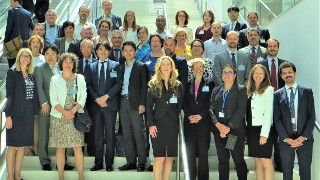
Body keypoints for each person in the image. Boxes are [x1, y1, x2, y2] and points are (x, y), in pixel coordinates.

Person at [34, 44, 74, 171]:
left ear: (58, 55)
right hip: (46, 106)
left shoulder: (62, 68)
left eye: (53, 54)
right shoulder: (40, 68)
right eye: (47, 54)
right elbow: (39, 87)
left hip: (62, 107)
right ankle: (44, 161)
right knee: (44, 133)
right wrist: (44, 103)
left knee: (62, 133)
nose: (50, 56)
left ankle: (62, 162)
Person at [274, 62, 315, 180]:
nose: (288, 75)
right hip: (286, 140)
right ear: (281, 76)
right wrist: (286, 138)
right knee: (287, 173)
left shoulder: (307, 92)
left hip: (305, 139)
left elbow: (311, 116)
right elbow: (277, 118)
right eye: (285, 73)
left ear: (295, 73)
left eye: (290, 72)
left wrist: (304, 136)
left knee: (305, 172)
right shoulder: (277, 95)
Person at [48, 53, 86, 180]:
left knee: (77, 148)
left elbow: (83, 97)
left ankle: (81, 177)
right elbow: (53, 100)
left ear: (74, 64)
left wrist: (73, 110)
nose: (68, 64)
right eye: (65, 62)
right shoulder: (54, 79)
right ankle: (61, 176)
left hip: (75, 117)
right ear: (61, 64)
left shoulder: (80, 78)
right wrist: (65, 112)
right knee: (60, 148)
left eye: (71, 62)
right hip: (59, 117)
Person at [86, 42, 122, 171]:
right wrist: (97, 99)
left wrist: (106, 97)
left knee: (110, 135)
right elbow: (88, 84)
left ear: (109, 51)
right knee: (98, 135)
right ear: (96, 51)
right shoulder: (91, 66)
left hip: (109, 104)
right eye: (100, 49)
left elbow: (118, 83)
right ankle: (98, 162)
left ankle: (109, 163)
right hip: (96, 106)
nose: (103, 51)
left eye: (106, 49)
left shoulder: (115, 65)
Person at [146, 56, 183, 180]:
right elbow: (149, 106)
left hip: (172, 124)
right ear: (159, 67)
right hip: (157, 124)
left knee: (169, 158)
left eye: (168, 64)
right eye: (163, 64)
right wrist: (150, 124)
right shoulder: (153, 84)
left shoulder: (178, 85)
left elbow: (180, 105)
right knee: (159, 157)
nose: (166, 67)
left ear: (172, 67)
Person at [4, 48, 39, 180]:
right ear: (19, 58)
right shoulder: (12, 73)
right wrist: (8, 116)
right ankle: (10, 176)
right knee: (12, 147)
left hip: (28, 116)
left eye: (28, 57)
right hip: (14, 115)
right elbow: (9, 95)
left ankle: (17, 175)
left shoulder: (31, 75)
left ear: (30, 60)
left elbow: (34, 96)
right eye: (23, 56)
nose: (25, 58)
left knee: (23, 147)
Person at [209, 64, 248, 180]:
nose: (227, 75)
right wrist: (218, 125)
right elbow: (210, 109)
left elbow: (241, 110)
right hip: (219, 133)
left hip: (233, 133)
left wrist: (227, 128)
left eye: (230, 72)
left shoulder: (241, 89)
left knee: (237, 159)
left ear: (235, 75)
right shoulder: (216, 90)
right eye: (225, 72)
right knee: (223, 160)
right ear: (221, 76)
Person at [117, 41, 148, 172]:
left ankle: (141, 162)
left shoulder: (141, 66)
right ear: (123, 52)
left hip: (136, 104)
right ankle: (130, 161)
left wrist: (142, 103)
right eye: (126, 50)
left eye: (131, 50)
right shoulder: (120, 68)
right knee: (127, 134)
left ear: (135, 52)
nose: (128, 52)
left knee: (138, 133)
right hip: (122, 102)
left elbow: (144, 87)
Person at [257, 39, 286, 172]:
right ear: (266, 48)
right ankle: (265, 163)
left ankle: (279, 165)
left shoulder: (284, 65)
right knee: (266, 134)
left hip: (281, 104)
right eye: (270, 46)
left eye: (275, 46)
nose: (272, 48)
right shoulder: (260, 64)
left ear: (278, 48)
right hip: (264, 103)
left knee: (280, 136)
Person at [184, 58, 214, 180]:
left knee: (203, 153)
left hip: (204, 123)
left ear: (203, 69)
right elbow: (184, 102)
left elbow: (210, 102)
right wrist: (189, 115)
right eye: (195, 67)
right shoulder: (186, 85)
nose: (198, 69)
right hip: (189, 123)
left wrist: (201, 115)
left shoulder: (210, 84)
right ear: (192, 69)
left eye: (200, 67)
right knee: (190, 154)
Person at [246, 64, 274, 180]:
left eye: (261, 73)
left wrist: (264, 134)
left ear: (265, 76)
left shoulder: (269, 90)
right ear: (252, 75)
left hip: (263, 129)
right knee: (257, 160)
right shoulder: (248, 90)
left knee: (265, 160)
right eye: (256, 73)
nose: (258, 75)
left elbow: (269, 113)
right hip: (251, 129)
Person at [77, 39, 98, 156]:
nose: (86, 49)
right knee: (78, 125)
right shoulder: (75, 63)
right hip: (78, 100)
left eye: (89, 47)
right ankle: (78, 151)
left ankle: (91, 150)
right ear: (80, 49)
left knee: (92, 126)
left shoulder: (97, 63)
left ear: (92, 49)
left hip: (93, 99)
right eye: (83, 47)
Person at [4, 0, 34, 68]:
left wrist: (5, 41)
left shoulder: (11, 11)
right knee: (24, 64)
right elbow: (33, 27)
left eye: (11, 2)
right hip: (25, 43)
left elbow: (9, 28)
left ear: (16, 2)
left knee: (12, 64)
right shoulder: (28, 13)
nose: (10, 4)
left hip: (13, 44)